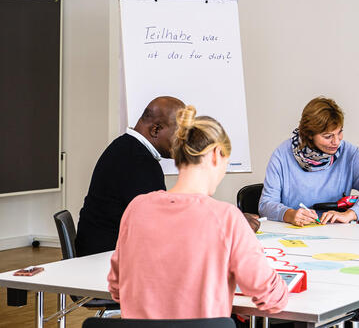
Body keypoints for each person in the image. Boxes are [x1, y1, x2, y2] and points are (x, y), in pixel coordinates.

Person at [107, 106, 288, 319]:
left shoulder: (137, 208)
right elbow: (271, 297)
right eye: (225, 164)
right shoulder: (226, 217)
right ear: (215, 155)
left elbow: (117, 288)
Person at [75, 96, 185, 256]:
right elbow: (158, 225)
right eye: (180, 134)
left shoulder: (123, 146)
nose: (183, 142)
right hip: (106, 260)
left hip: (99, 252)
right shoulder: (140, 162)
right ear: (156, 130)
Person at [259, 97, 359, 226]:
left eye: (339, 132)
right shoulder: (282, 155)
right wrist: (289, 214)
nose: (336, 141)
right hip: (295, 234)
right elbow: (265, 205)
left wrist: (350, 213)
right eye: (328, 136)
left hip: (336, 235)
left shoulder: (350, 154)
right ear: (309, 134)